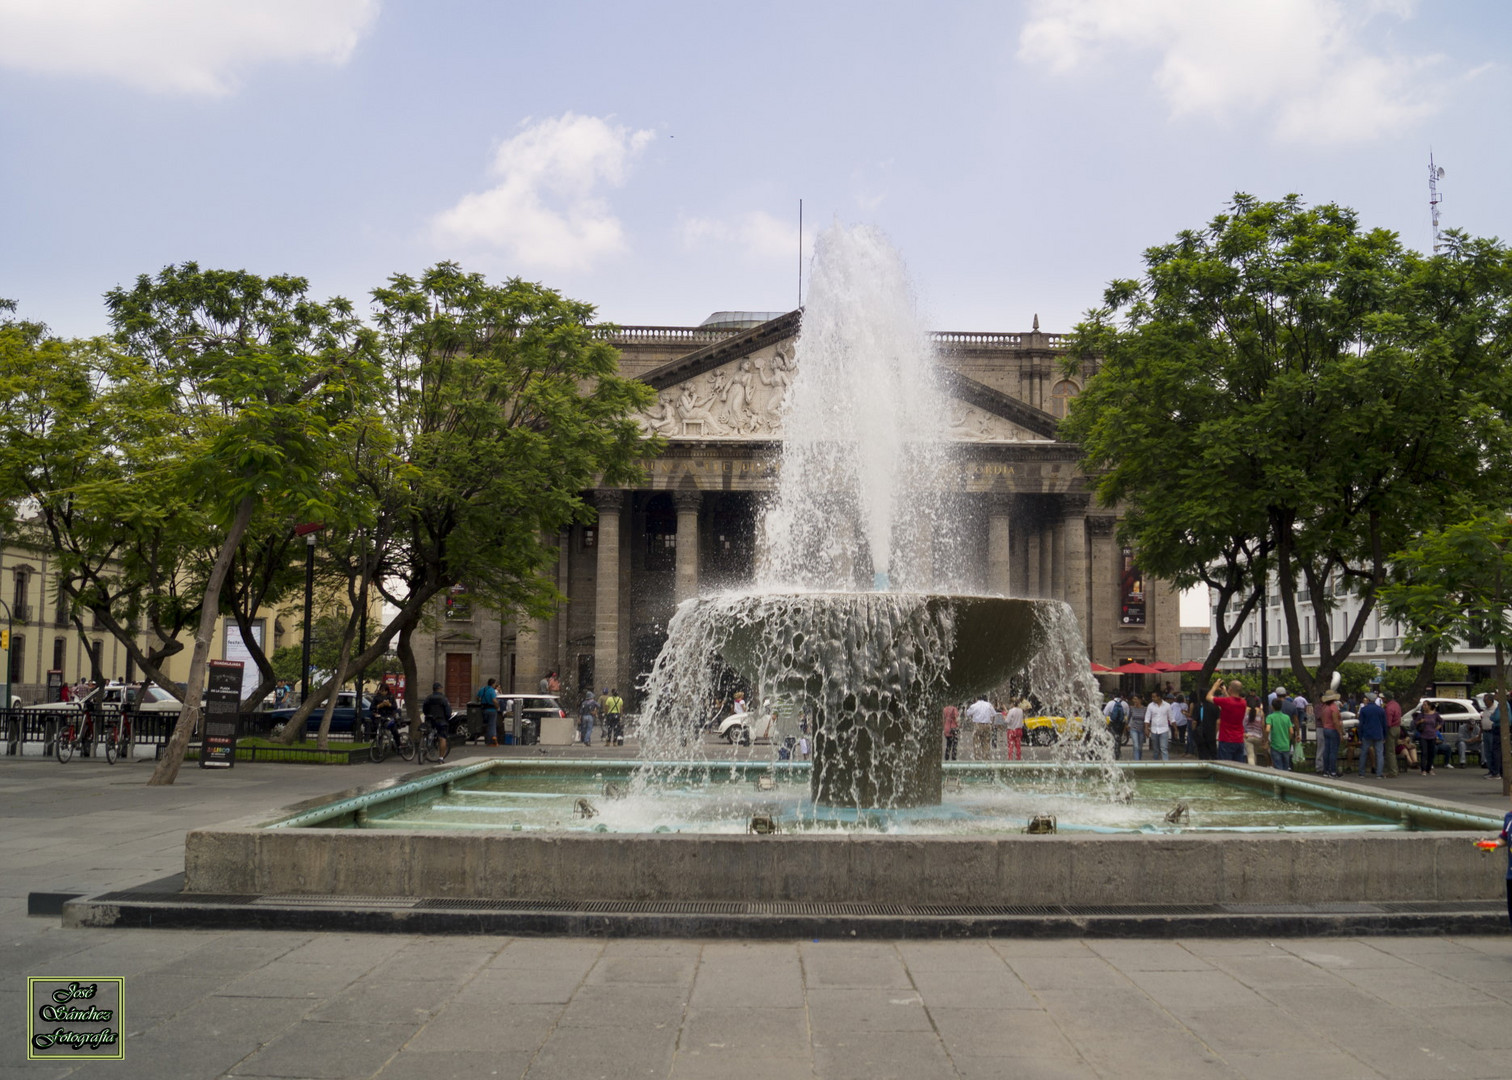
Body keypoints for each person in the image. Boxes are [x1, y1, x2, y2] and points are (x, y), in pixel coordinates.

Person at [1207, 678, 1248, 762]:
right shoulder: (1243, 703)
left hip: (1226, 739)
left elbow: (1208, 697)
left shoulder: (1226, 701)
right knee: (1238, 766)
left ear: (1231, 689)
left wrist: (1214, 686)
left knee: (1225, 766)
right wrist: (1225, 692)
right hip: (1239, 740)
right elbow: (1232, 701)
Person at [1356, 692, 1387, 779]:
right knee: (1379, 754)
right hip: (1378, 734)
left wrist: (1360, 736)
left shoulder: (1364, 710)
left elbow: (1361, 724)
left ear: (1368, 700)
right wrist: (1385, 735)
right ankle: (1379, 773)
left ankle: (1361, 773)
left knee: (1364, 753)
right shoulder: (1381, 710)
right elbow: (1384, 724)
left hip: (1367, 733)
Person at [421, 682, 453, 762]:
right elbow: (448, 711)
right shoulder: (443, 699)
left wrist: (427, 715)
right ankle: (441, 758)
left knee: (428, 733)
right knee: (442, 738)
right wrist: (447, 717)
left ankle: (425, 747)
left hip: (430, 719)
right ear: (440, 689)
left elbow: (424, 709)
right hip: (441, 720)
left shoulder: (428, 698)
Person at [1316, 690, 1344, 777]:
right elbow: (1335, 721)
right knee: (1333, 751)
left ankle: (1326, 770)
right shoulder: (1333, 707)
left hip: (1325, 729)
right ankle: (1333, 771)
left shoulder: (1324, 707)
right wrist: (1340, 733)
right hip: (1333, 730)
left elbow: (1323, 719)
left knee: (1326, 750)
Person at [1265, 698, 1294, 771]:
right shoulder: (1286, 717)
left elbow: (1267, 729)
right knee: (1285, 767)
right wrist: (1288, 739)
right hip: (1286, 746)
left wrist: (1267, 740)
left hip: (1275, 746)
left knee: (1278, 768)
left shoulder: (1270, 717)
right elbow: (1291, 732)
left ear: (1272, 707)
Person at [1145, 688, 1172, 761]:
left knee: (1164, 748)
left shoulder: (1167, 705)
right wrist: (1146, 728)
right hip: (1154, 730)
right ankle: (1155, 764)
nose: (1152, 698)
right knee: (1156, 749)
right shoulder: (1150, 706)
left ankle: (1166, 765)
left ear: (1159, 697)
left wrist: (1175, 729)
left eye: (1154, 697)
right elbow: (1147, 718)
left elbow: (1171, 718)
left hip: (1164, 730)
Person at [967, 694, 996, 760]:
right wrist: (992, 723)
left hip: (977, 725)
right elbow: (994, 714)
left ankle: (977, 758)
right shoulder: (989, 705)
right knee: (986, 743)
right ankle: (986, 759)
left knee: (976, 742)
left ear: (977, 698)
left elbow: (968, 713)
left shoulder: (975, 705)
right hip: (987, 725)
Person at [1417, 699, 1441, 775]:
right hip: (1423, 735)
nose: (1424, 707)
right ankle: (1423, 769)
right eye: (1423, 705)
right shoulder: (1421, 714)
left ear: (1429, 706)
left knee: (1431, 753)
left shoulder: (1435, 714)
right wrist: (1420, 722)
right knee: (1424, 752)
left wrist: (1437, 728)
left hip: (1432, 735)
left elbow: (1441, 721)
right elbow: (1415, 723)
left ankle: (1429, 768)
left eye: (1425, 705)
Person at [1383, 692, 1403, 778]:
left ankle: (1392, 771)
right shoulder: (1396, 704)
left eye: (1383, 697)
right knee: (1393, 750)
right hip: (1398, 728)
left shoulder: (1388, 707)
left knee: (1390, 751)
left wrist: (1384, 733)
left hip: (1391, 729)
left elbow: (1388, 723)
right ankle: (1395, 769)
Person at [1102, 694, 1127, 760]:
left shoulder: (1110, 703)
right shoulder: (1125, 704)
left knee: (1111, 739)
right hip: (1121, 724)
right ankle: (1117, 754)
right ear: (1122, 697)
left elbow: (1105, 714)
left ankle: (1111, 755)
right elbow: (1127, 715)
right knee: (1118, 739)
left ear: (1113, 697)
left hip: (1112, 724)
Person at [478, 677, 500, 746]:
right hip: (492, 710)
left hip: (484, 710)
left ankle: (487, 740)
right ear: (492, 684)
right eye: (495, 684)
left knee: (486, 725)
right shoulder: (492, 690)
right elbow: (494, 700)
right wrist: (497, 707)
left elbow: (478, 697)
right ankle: (492, 739)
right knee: (492, 725)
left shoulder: (483, 689)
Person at [1128, 694, 1147, 761]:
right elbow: (1128, 717)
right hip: (1133, 729)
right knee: (1135, 745)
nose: (1134, 701)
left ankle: (1139, 759)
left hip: (1141, 729)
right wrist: (1127, 726)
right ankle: (1136, 761)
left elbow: (1146, 720)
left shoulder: (1145, 709)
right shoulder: (1131, 708)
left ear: (1140, 700)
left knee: (1140, 747)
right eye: (1134, 699)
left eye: (1136, 699)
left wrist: (1147, 729)